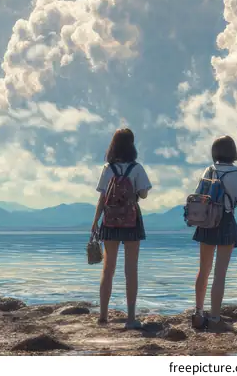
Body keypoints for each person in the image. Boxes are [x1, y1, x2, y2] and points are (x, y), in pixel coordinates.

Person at [91, 127, 152, 329]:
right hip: (132, 220)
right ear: (132, 145)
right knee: (131, 270)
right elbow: (143, 194)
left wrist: (95, 221)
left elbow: (102, 198)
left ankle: (103, 316)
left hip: (109, 220)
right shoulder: (137, 168)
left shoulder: (108, 168)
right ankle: (131, 318)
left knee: (108, 269)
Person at [191, 135, 237, 331]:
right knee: (219, 274)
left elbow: (198, 196)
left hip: (206, 221)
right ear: (233, 152)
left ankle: (198, 314)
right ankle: (215, 319)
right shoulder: (236, 172)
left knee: (203, 270)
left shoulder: (208, 170)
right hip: (225, 220)